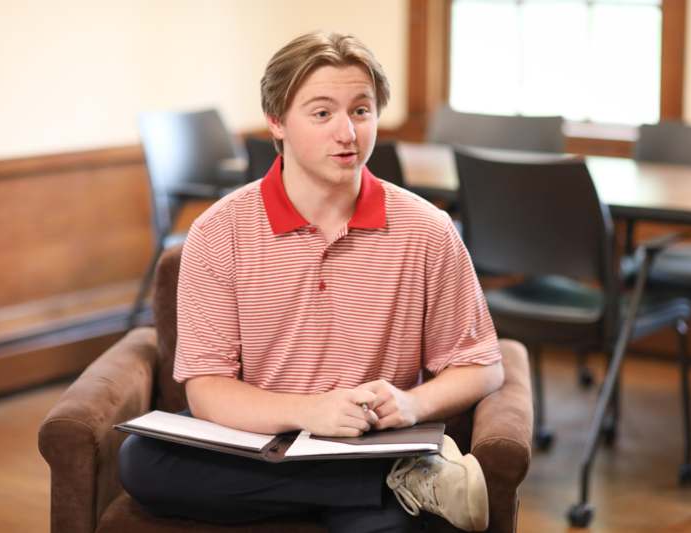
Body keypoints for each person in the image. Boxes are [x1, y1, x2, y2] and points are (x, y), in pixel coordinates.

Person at [119, 31, 504, 532]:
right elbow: (208, 392)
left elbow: (482, 367)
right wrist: (310, 412)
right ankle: (392, 489)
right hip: (263, 442)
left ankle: (370, 490)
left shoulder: (426, 229)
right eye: (322, 114)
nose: (347, 133)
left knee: (390, 529)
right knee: (141, 460)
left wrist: (413, 402)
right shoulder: (219, 231)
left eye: (361, 111)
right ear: (276, 121)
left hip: (370, 446)